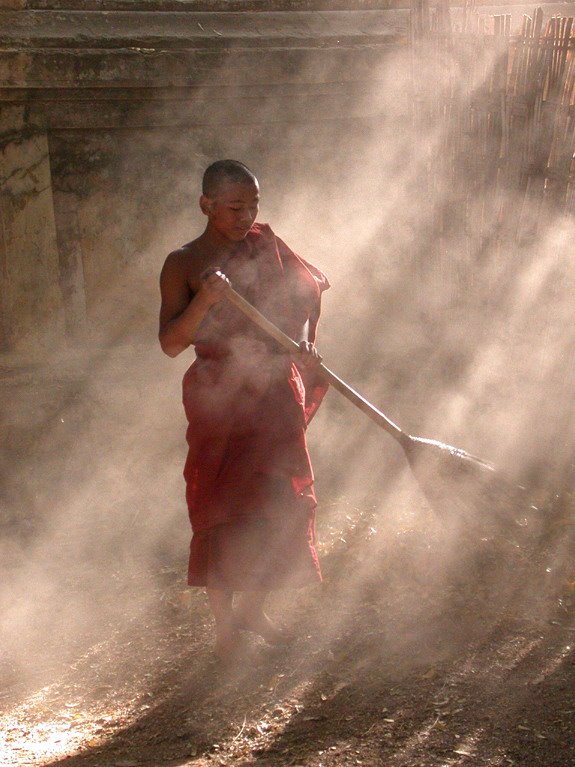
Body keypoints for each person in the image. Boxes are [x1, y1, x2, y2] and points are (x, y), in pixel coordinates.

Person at [158, 159, 329, 663]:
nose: (245, 216)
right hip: (218, 396)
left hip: (274, 389)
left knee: (280, 497)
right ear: (206, 205)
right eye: (235, 207)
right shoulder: (184, 263)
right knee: (220, 502)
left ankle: (255, 609)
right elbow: (170, 343)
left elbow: (302, 300)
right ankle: (225, 628)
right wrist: (205, 300)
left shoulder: (266, 246)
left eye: (253, 205)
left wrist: (300, 346)